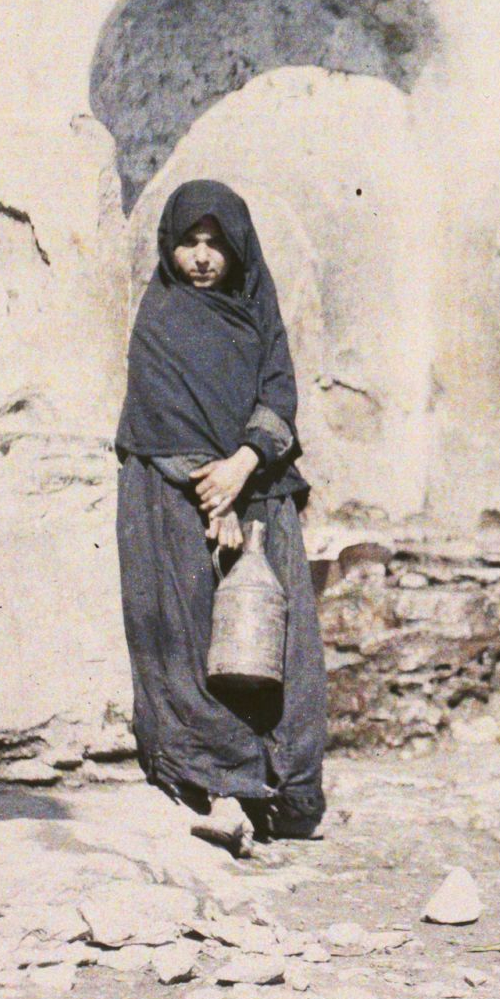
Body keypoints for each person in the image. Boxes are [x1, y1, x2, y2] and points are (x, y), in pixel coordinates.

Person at [113, 178, 327, 850]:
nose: (202, 257)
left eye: (216, 243)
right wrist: (212, 489)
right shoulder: (160, 317)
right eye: (189, 242)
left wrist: (240, 469)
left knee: (281, 637)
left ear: (239, 248)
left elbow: (278, 392)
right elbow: (159, 414)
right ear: (169, 246)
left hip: (255, 483)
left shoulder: (257, 308)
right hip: (175, 493)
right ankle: (220, 787)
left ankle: (287, 793)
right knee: (187, 634)